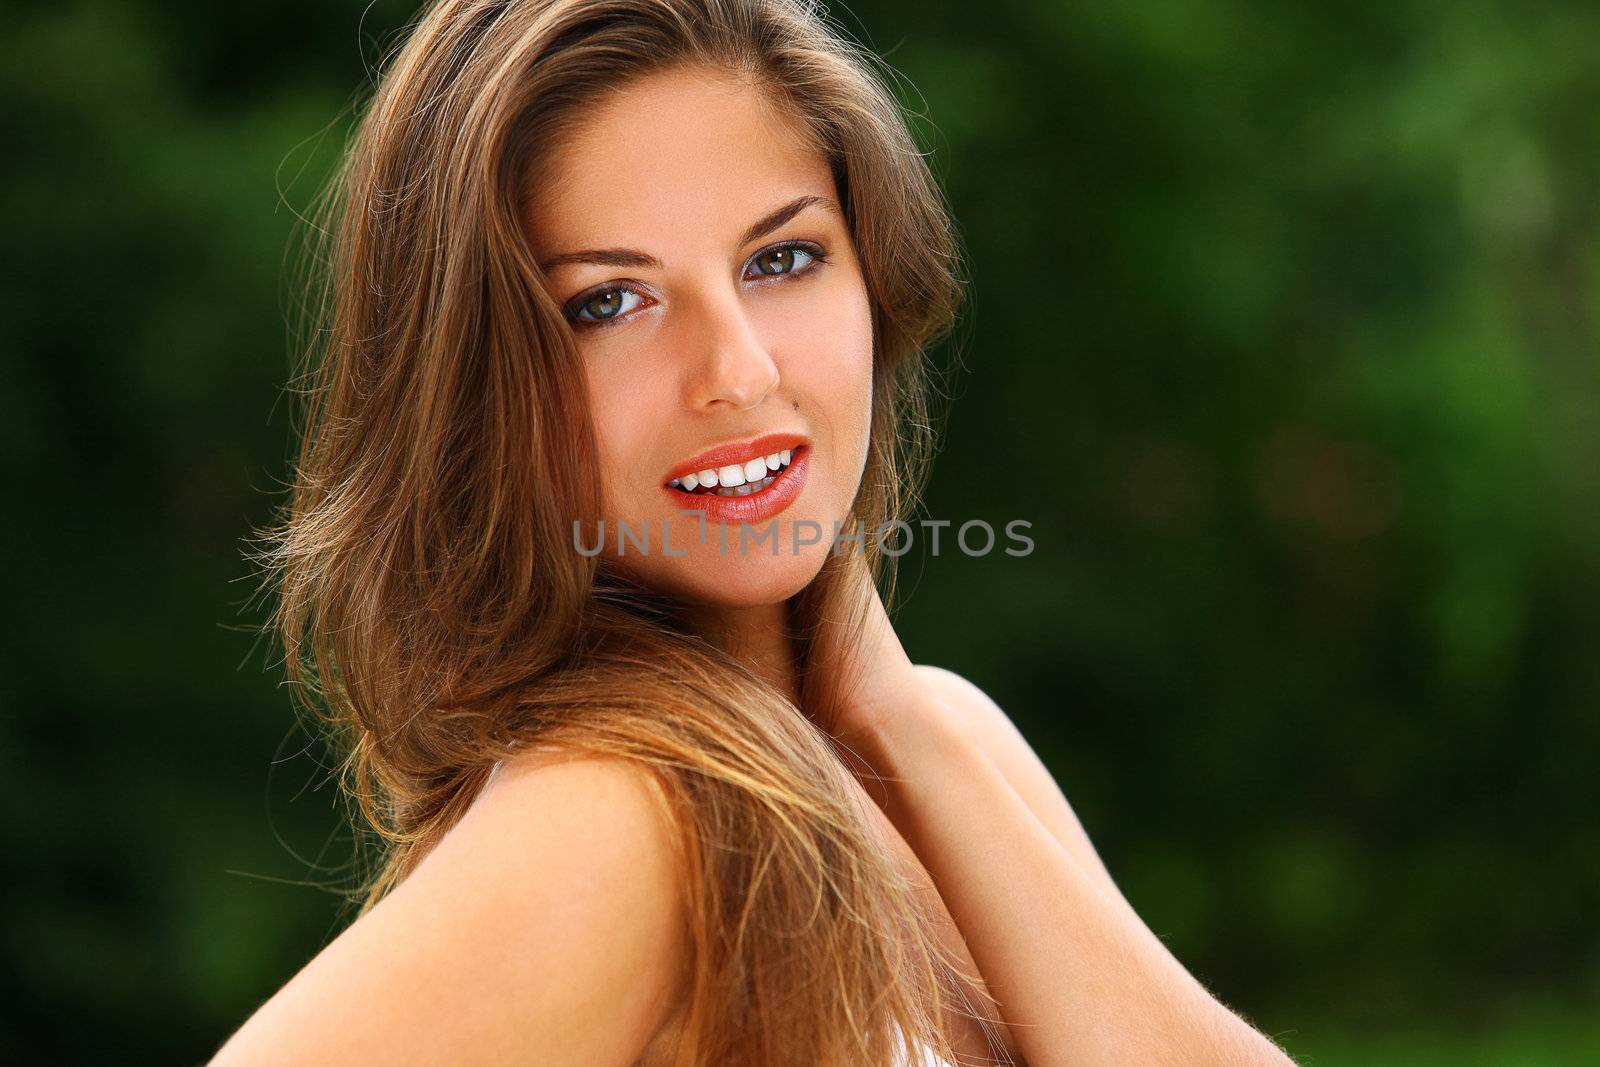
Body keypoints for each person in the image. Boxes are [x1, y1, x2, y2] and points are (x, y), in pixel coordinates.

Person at [212, 1, 1297, 1064]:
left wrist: (895, 720)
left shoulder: (939, 743)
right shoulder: (622, 815)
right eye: (607, 302)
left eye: (780, 260)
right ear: (468, 385)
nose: (737, 371)